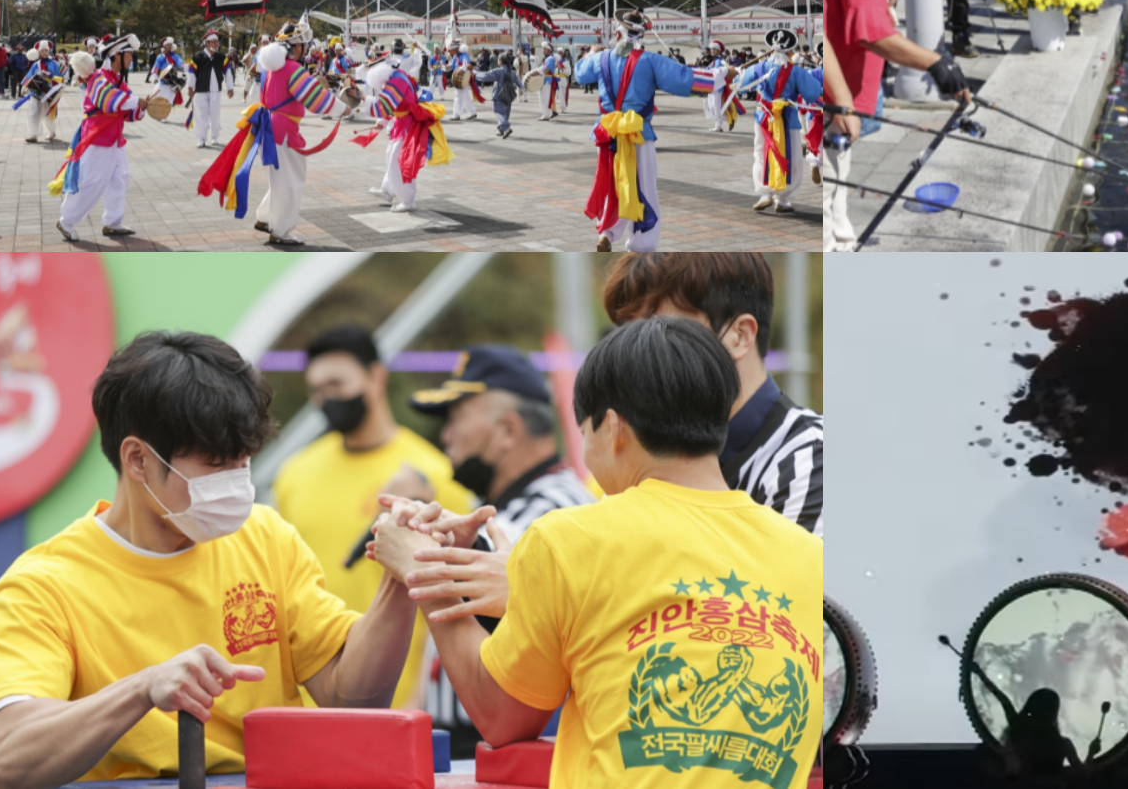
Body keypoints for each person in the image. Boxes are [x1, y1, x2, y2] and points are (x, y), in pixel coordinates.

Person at [369, 315, 824, 789]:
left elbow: (500, 716)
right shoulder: (807, 554)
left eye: (584, 433)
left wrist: (424, 570)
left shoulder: (570, 538)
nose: (584, 452)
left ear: (612, 427)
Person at [0, 331, 418, 789]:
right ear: (138, 460)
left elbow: (350, 698)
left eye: (242, 460)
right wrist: (144, 688)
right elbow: (8, 758)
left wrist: (402, 580)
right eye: (215, 463)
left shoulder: (266, 538)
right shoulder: (41, 586)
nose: (236, 483)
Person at [402, 344, 596, 759]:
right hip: (468, 743)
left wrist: (421, 532)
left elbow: (489, 567)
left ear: (508, 430)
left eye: (455, 418)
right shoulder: (497, 505)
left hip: (513, 746)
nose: (445, 435)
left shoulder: (560, 507)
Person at [271, 324, 473, 711]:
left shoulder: (437, 474)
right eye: (316, 389)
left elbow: (456, 597)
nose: (326, 398)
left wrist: (424, 694)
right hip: (313, 699)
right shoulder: (294, 474)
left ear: (376, 377)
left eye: (336, 384)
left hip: (403, 702)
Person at [602, 252, 824, 534]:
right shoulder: (643, 463)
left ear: (740, 336)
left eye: (660, 331)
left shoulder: (811, 462)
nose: (638, 356)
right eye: (627, 337)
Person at [821, 0, 971, 251]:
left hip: (840, 102)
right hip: (827, 109)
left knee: (836, 205)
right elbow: (870, 33)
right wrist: (936, 63)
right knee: (825, 209)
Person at [198, 18, 350, 245]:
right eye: (303, 46)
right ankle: (281, 230)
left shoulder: (270, 70)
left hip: (270, 128)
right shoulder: (293, 69)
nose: (305, 49)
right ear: (296, 47)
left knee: (280, 179)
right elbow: (315, 99)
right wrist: (343, 108)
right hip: (285, 131)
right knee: (291, 180)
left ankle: (266, 217)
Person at [575, 9, 714, 252]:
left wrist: (591, 53)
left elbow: (579, 72)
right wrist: (720, 78)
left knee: (611, 183)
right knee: (644, 190)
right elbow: (685, 80)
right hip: (638, 134)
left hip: (608, 134)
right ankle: (641, 243)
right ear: (641, 36)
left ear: (617, 34)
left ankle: (607, 232)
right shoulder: (650, 61)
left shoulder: (600, 60)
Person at [51, 36, 147, 242]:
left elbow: (128, 113)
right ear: (116, 56)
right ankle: (66, 221)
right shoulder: (98, 78)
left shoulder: (118, 81)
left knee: (120, 179)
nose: (131, 59)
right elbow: (107, 101)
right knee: (91, 181)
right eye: (128, 55)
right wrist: (136, 101)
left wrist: (144, 106)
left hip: (114, 139)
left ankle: (112, 222)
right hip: (97, 138)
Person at [360, 46, 451, 213]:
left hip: (407, 125)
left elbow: (385, 105)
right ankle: (388, 191)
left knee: (400, 162)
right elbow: (389, 106)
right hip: (400, 123)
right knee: (391, 157)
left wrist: (364, 99)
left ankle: (409, 199)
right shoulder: (393, 77)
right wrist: (382, 121)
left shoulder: (397, 80)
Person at [739, 36, 822, 214]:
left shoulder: (758, 68)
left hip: (763, 118)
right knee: (791, 157)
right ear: (790, 51)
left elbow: (740, 85)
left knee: (761, 154)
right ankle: (783, 200)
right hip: (788, 118)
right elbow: (813, 92)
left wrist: (739, 71)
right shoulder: (796, 72)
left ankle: (764, 193)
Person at [187, 29, 234, 149]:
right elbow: (191, 73)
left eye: (217, 42)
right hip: (201, 91)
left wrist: (230, 87)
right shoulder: (198, 57)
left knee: (215, 115)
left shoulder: (221, 57)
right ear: (206, 43)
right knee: (201, 115)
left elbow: (228, 72)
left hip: (216, 91)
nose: (216, 44)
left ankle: (215, 137)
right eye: (213, 42)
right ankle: (201, 139)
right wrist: (190, 87)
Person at [18, 42, 64, 144]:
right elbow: (29, 76)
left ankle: (52, 132)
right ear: (39, 52)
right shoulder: (36, 64)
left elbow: (62, 76)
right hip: (35, 92)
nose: (44, 53)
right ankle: (33, 135)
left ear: (49, 51)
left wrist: (51, 79)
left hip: (48, 92)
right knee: (33, 113)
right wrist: (24, 87)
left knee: (47, 114)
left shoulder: (55, 64)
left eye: (46, 51)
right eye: (42, 51)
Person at [474, 46, 525, 139]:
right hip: (509, 96)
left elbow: (485, 76)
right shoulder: (512, 72)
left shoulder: (499, 71)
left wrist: (475, 73)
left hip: (499, 96)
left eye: (499, 60)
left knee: (498, 111)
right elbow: (519, 83)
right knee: (505, 114)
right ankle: (502, 131)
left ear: (501, 61)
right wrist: (524, 88)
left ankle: (507, 127)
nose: (498, 61)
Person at [700, 39, 738, 133]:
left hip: (717, 87)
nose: (712, 51)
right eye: (712, 49)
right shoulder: (713, 60)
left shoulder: (721, 61)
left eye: (715, 49)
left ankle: (718, 126)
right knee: (712, 106)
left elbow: (721, 72)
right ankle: (728, 119)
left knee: (716, 107)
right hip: (711, 87)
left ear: (719, 51)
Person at [537, 42, 568, 121]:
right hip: (545, 80)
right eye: (543, 49)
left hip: (547, 80)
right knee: (544, 98)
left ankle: (546, 114)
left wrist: (536, 72)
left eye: (544, 49)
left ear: (549, 50)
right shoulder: (548, 58)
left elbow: (546, 69)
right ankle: (546, 113)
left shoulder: (550, 59)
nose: (543, 50)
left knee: (545, 98)